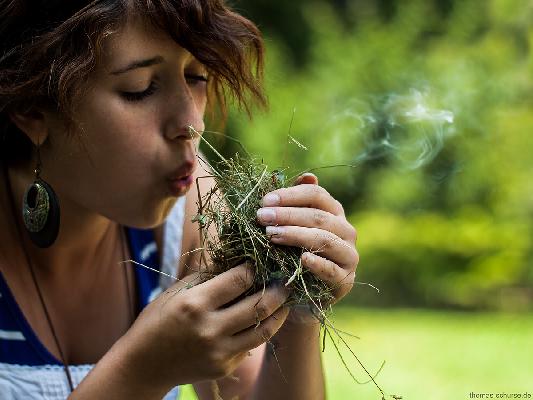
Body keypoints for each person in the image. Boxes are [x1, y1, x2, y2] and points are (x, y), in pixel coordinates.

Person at [0, 1, 359, 399]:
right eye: (141, 89)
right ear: (31, 108)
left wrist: (300, 300)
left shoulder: (190, 203)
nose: (192, 122)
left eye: (196, 75)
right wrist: (141, 374)